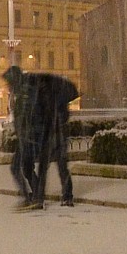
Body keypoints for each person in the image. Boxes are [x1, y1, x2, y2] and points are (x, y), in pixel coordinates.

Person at [26, 70, 80, 208]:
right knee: (61, 167)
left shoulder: (42, 93)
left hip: (50, 133)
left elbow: (37, 115)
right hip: (58, 131)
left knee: (45, 168)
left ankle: (40, 198)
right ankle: (66, 196)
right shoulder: (58, 91)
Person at [1, 64, 35, 203]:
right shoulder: (22, 93)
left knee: (16, 167)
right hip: (27, 137)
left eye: (9, 82)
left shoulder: (24, 95)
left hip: (28, 138)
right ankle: (37, 196)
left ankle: (30, 198)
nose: (8, 85)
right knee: (26, 168)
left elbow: (28, 117)